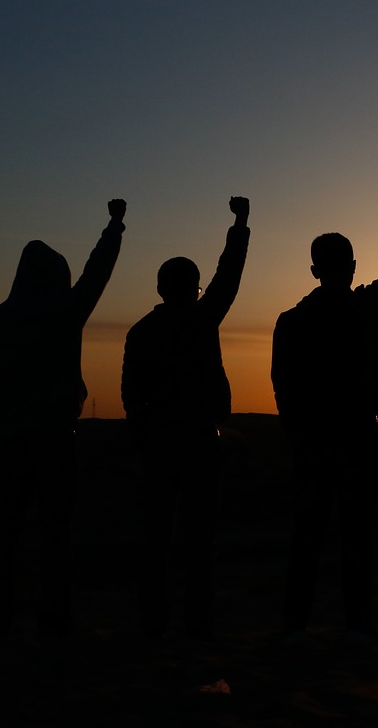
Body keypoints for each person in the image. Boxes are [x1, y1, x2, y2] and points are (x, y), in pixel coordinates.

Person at [0, 198, 127, 637]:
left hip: (11, 439)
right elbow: (98, 272)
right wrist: (114, 226)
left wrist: (7, 410)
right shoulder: (66, 312)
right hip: (55, 437)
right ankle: (54, 618)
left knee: (5, 535)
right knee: (56, 534)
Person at [272, 195, 378, 642]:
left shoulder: (292, 321)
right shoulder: (364, 308)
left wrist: (295, 431)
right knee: (355, 532)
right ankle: (356, 622)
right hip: (355, 432)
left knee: (308, 532)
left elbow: (283, 384)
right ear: (352, 266)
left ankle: (296, 623)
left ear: (314, 269)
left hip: (314, 437)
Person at [122, 196, 251, 640]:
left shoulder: (141, 332)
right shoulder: (201, 319)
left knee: (156, 536)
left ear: (160, 288)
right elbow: (229, 275)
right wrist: (240, 224)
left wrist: (140, 438)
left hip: (159, 442)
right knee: (199, 539)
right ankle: (197, 622)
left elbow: (130, 395)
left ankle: (154, 621)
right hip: (198, 440)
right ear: (194, 288)